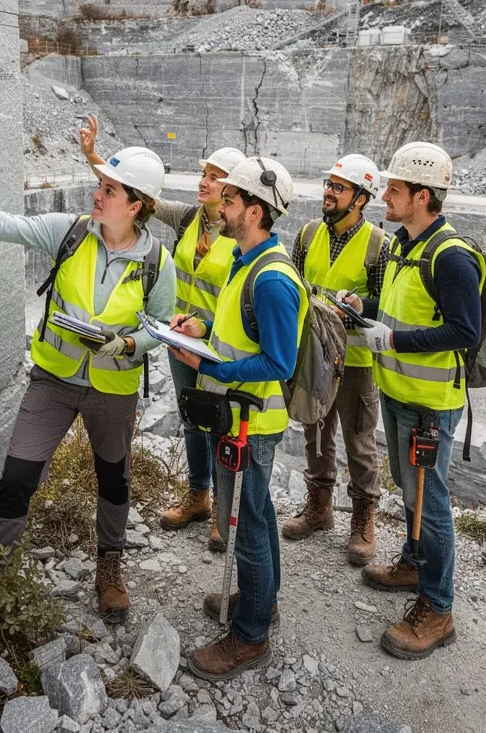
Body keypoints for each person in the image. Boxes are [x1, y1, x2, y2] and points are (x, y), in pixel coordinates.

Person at [0, 147, 177, 642]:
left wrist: (127, 344)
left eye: (109, 190)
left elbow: (160, 325)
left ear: (136, 205)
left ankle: (109, 570)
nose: (97, 194)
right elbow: (5, 225)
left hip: (113, 390)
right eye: (100, 185)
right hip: (53, 382)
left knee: (114, 481)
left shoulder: (156, 263)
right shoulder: (71, 232)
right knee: (16, 479)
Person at [337, 141, 482, 660]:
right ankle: (414, 564)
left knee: (430, 501)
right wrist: (366, 304)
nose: (385, 197)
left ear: (423, 196)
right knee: (410, 489)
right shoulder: (405, 245)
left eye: (394, 189)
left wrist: (394, 341)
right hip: (400, 393)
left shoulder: (451, 257)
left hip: (430, 404)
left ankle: (438, 608)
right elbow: (402, 307)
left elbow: (465, 331)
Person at [169, 157, 307, 681]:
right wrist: (201, 329)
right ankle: (260, 601)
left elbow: (279, 362)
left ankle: (250, 636)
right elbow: (237, 331)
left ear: (255, 211)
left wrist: (208, 365)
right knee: (259, 514)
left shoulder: (271, 279)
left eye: (229, 200)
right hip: (236, 416)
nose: (220, 207)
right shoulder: (245, 261)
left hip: (251, 423)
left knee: (246, 525)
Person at [79, 116, 244, 552]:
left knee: (221, 424)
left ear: (234, 188)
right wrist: (94, 156)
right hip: (179, 339)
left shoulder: (241, 232)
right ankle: (198, 495)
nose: (203, 182)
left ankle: (223, 508)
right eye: (204, 174)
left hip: (217, 344)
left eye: (214, 177)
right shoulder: (187, 217)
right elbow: (132, 191)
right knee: (192, 417)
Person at [284, 154, 389, 566]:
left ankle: (363, 520)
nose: (328, 192)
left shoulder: (379, 245)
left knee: (359, 442)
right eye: (329, 184)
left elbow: (386, 305)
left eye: (338, 188)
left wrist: (362, 305)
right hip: (315, 356)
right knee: (315, 431)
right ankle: (319, 506)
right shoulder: (309, 234)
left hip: (356, 362)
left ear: (360, 198)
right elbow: (294, 286)